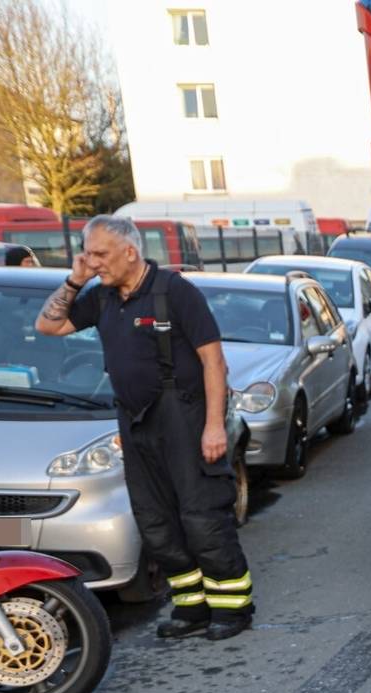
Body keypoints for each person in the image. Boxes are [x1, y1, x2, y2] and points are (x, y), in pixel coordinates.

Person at [34, 216, 254, 640]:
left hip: (184, 418)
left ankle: (233, 608)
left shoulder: (176, 292)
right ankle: (191, 608)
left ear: (129, 251)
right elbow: (49, 325)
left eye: (100, 254)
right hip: (135, 422)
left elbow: (214, 361)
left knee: (202, 516)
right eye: (88, 253)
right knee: (155, 521)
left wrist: (214, 427)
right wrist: (74, 281)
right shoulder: (101, 297)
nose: (92, 262)